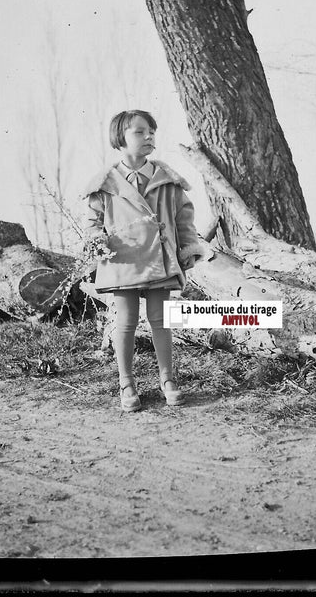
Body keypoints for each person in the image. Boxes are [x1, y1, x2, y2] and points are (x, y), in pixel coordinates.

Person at [82, 110, 204, 412]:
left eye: (151, 131)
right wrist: (96, 241)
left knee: (161, 321)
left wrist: (187, 247)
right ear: (119, 140)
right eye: (139, 132)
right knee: (125, 322)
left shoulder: (167, 180)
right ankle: (127, 382)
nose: (149, 136)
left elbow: (184, 218)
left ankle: (168, 380)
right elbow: (92, 222)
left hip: (159, 259)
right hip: (122, 262)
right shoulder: (105, 184)